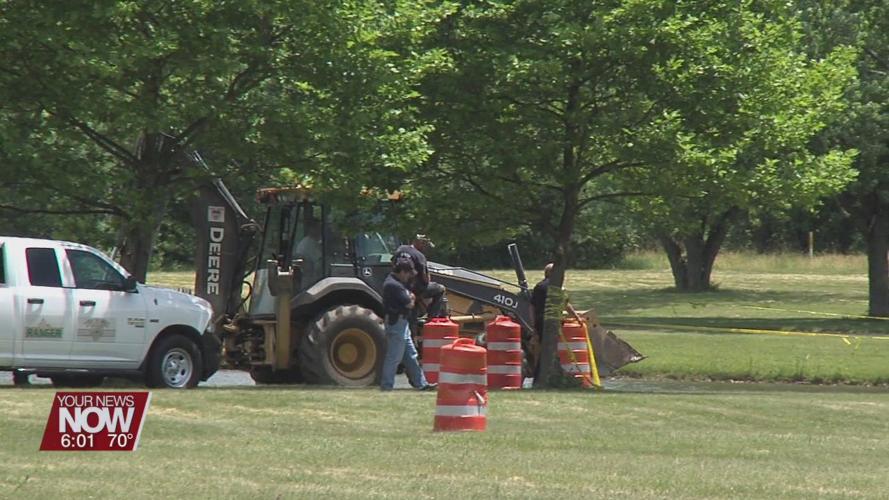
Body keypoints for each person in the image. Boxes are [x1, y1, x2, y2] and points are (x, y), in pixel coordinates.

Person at [380, 257, 436, 391]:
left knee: (411, 355)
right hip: (396, 323)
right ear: (402, 272)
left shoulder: (398, 283)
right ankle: (386, 386)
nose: (410, 277)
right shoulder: (393, 285)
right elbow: (409, 303)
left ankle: (421, 384)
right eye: (408, 273)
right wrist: (411, 297)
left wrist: (410, 296)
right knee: (394, 357)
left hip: (402, 323)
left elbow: (411, 297)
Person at [393, 234, 445, 319]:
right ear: (419, 242)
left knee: (414, 306)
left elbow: (392, 263)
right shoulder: (420, 256)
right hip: (415, 289)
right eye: (424, 244)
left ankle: (413, 321)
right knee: (440, 289)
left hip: (399, 286)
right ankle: (432, 318)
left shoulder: (400, 249)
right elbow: (426, 279)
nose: (425, 247)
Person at [295, 220, 323, 287]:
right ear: (311, 229)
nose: (320, 230)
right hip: (311, 283)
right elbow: (320, 263)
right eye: (317, 227)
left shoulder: (309, 242)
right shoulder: (309, 243)